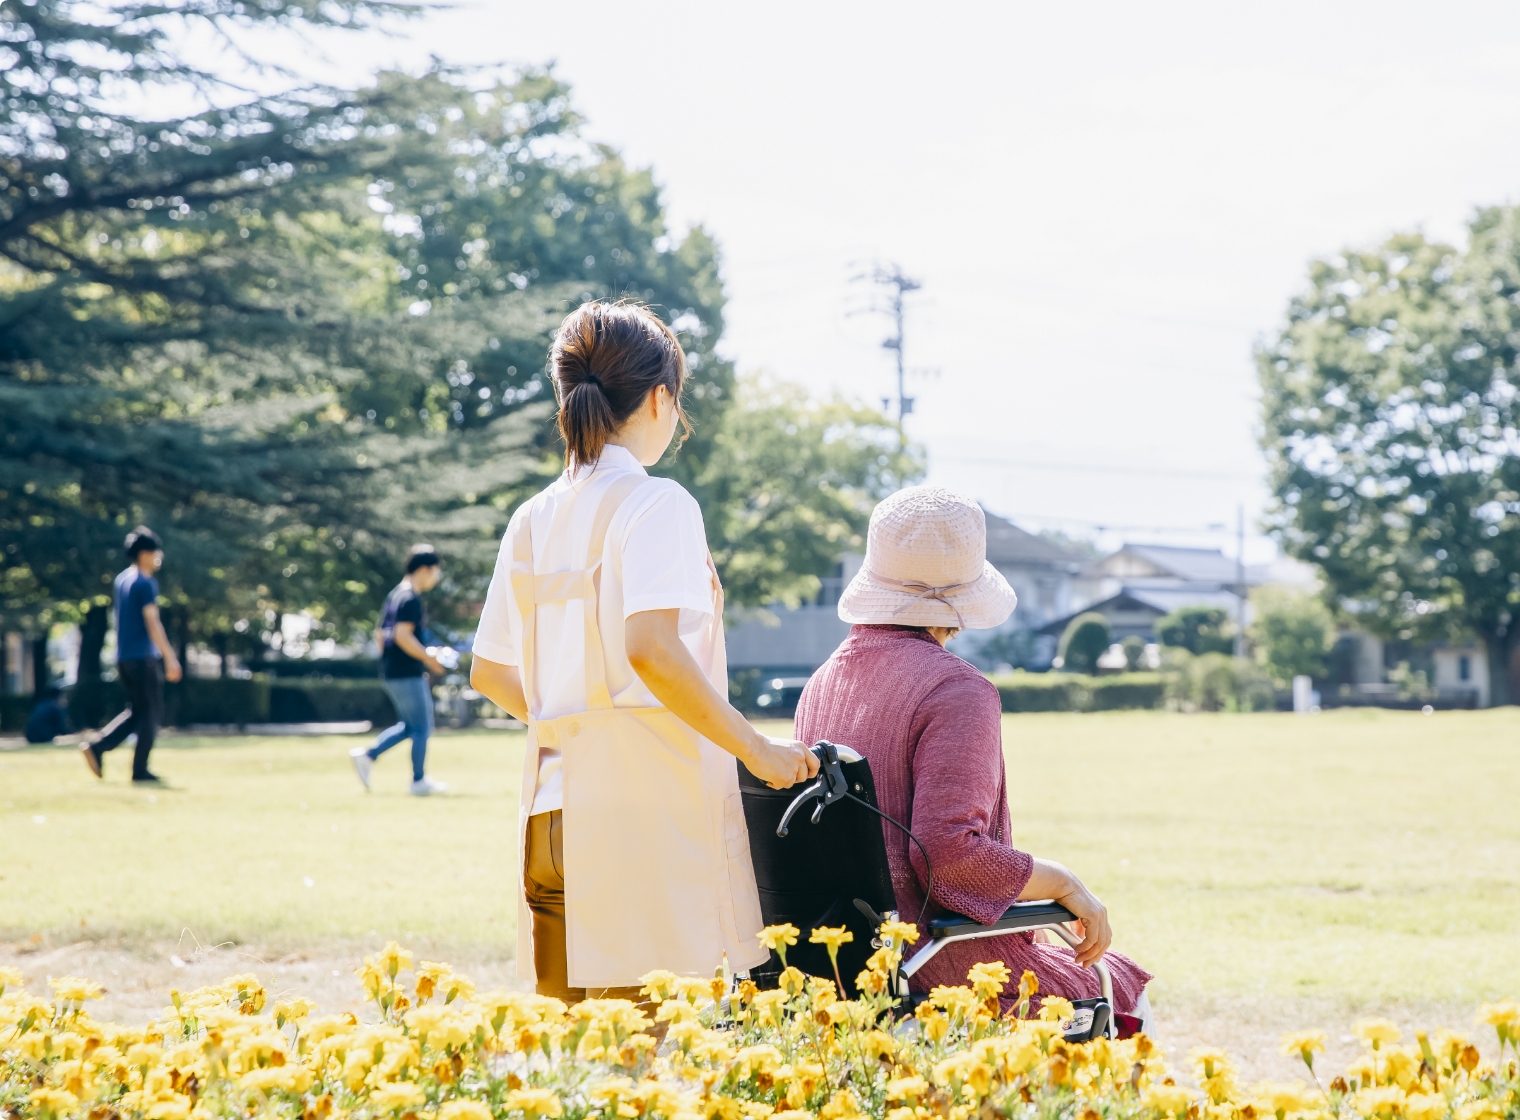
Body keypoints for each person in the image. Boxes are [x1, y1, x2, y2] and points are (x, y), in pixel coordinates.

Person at [470, 301, 819, 1003]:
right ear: (660, 398)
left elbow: (490, 672)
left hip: (550, 812)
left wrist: (573, 723)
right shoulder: (656, 504)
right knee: (646, 1063)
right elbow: (651, 650)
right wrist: (757, 750)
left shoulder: (532, 517)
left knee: (576, 1073)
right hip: (640, 824)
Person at [794, 485, 1154, 1028]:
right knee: (1122, 989)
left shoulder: (821, 684)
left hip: (840, 966)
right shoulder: (956, 690)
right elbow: (949, 857)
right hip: (941, 962)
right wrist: (1064, 883)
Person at [82, 526, 183, 783]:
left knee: (137, 711)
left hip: (124, 657)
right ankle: (139, 769)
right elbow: (152, 622)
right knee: (150, 713)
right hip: (142, 657)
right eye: (155, 551)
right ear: (145, 554)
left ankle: (99, 747)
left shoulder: (122, 580)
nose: (159, 555)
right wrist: (169, 657)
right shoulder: (145, 582)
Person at [350, 545, 449, 796]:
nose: (436, 577)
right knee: (422, 727)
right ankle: (418, 780)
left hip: (393, 671)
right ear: (425, 569)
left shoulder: (395, 595)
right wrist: (428, 658)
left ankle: (368, 755)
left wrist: (392, 660)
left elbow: (379, 635)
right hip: (406, 673)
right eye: (435, 571)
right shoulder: (410, 599)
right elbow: (402, 635)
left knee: (410, 726)